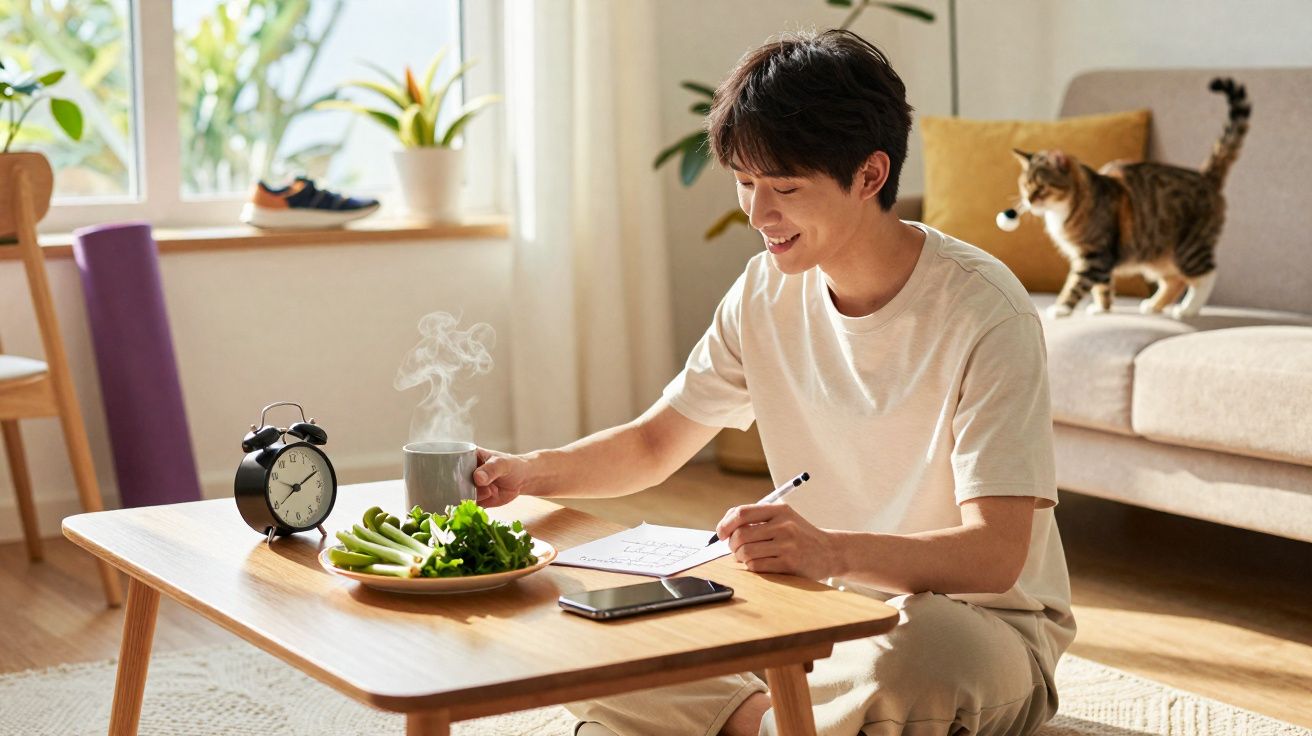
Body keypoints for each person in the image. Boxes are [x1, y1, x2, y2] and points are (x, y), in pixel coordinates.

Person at [473, 28, 1075, 736]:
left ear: (870, 176)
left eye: (784, 188)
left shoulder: (985, 310)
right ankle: (775, 722)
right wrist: (524, 474)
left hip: (973, 626)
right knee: (584, 629)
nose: (758, 216)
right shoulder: (763, 293)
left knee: (904, 667)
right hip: (811, 621)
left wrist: (830, 551)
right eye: (747, 184)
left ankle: (749, 721)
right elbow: (655, 442)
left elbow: (996, 554)